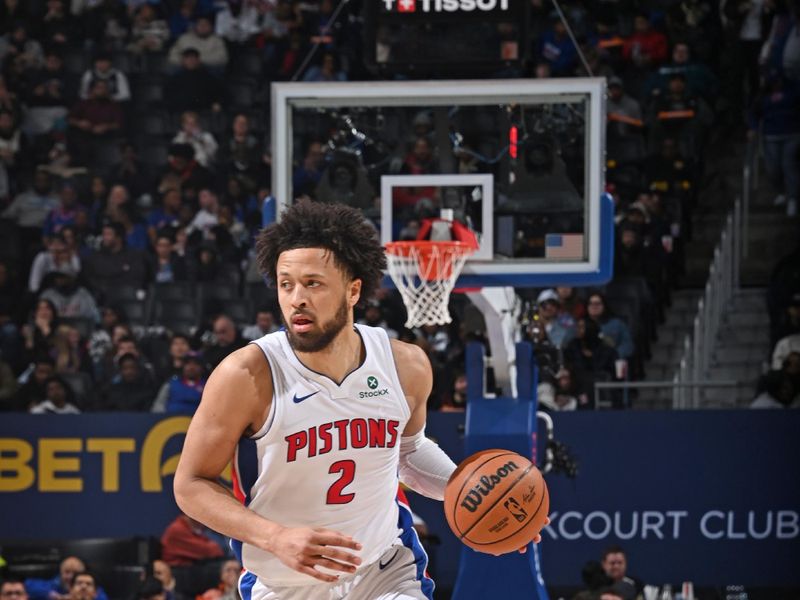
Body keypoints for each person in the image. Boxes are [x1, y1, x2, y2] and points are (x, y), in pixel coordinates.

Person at [174, 202, 544, 599]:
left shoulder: (406, 365)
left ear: (353, 290)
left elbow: (407, 451)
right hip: (285, 583)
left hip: (383, 571)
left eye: (313, 283)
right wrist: (275, 537)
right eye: (286, 284)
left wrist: (476, 494)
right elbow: (191, 484)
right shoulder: (246, 375)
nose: (296, 298)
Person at [159, 513, 225, 567]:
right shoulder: (176, 529)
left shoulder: (193, 528)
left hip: (188, 569)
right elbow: (208, 550)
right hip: (177, 572)